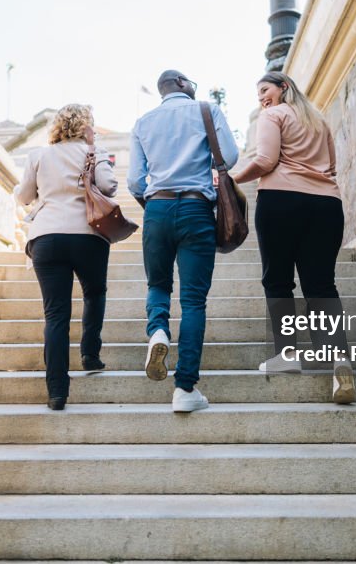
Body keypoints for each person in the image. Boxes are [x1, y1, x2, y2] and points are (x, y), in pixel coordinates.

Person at [231, 71, 356, 404]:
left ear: (284, 88)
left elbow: (265, 160)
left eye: (265, 90)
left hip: (281, 201)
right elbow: (331, 166)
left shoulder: (272, 115)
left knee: (278, 281)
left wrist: (230, 180)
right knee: (321, 284)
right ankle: (338, 358)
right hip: (327, 204)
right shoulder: (319, 122)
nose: (261, 98)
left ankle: (287, 355)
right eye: (258, 95)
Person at [128, 69, 239, 412]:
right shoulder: (205, 110)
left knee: (158, 284)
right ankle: (185, 389)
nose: (194, 86)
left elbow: (134, 180)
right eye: (190, 81)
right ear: (179, 83)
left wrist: (156, 202)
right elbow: (231, 158)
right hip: (195, 207)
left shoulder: (143, 122)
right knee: (193, 302)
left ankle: (158, 331)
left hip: (157, 208)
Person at [14, 104, 117, 410]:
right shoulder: (94, 152)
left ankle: (57, 391)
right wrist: (93, 150)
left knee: (56, 315)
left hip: (47, 237)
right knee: (95, 292)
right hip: (88, 236)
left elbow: (24, 197)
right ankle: (90, 353)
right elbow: (109, 187)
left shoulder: (38, 155)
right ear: (88, 126)